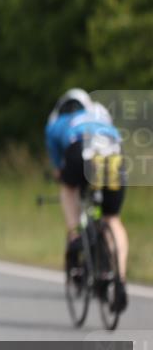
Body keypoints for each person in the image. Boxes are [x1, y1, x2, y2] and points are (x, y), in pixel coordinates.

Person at [45, 88, 128, 312]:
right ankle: (120, 279)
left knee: (67, 187)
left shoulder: (56, 123)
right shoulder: (99, 113)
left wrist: (61, 174)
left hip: (80, 150)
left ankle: (74, 235)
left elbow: (59, 167)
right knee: (112, 219)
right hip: (114, 154)